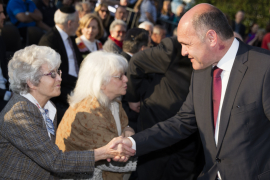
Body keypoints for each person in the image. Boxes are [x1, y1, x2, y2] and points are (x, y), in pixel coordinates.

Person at [114, 3, 270, 180]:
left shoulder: (264, 68)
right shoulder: (201, 72)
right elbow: (181, 122)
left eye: (187, 44)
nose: (183, 52)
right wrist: (132, 143)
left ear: (211, 37)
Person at [0, 45, 135, 180]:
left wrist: (127, 129)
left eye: (58, 72)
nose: (59, 78)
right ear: (31, 82)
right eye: (52, 74)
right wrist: (104, 152)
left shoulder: (47, 106)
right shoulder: (19, 113)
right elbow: (55, 161)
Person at [125, 36, 202, 180]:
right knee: (149, 173)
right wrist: (133, 98)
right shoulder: (175, 47)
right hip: (157, 122)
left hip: (190, 136)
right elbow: (137, 62)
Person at [55, 51, 135, 180]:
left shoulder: (113, 103)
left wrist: (129, 132)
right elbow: (117, 159)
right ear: (101, 83)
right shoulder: (90, 113)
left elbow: (126, 126)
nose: (126, 79)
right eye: (119, 77)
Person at [39, 6, 82, 125]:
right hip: (60, 88)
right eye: (77, 22)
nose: (79, 25)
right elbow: (51, 75)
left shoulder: (70, 37)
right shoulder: (49, 40)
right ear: (69, 23)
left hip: (74, 84)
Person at [0, 0, 12, 111]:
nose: (4, 16)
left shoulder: (0, 40)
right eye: (0, 13)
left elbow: (5, 75)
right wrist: (8, 95)